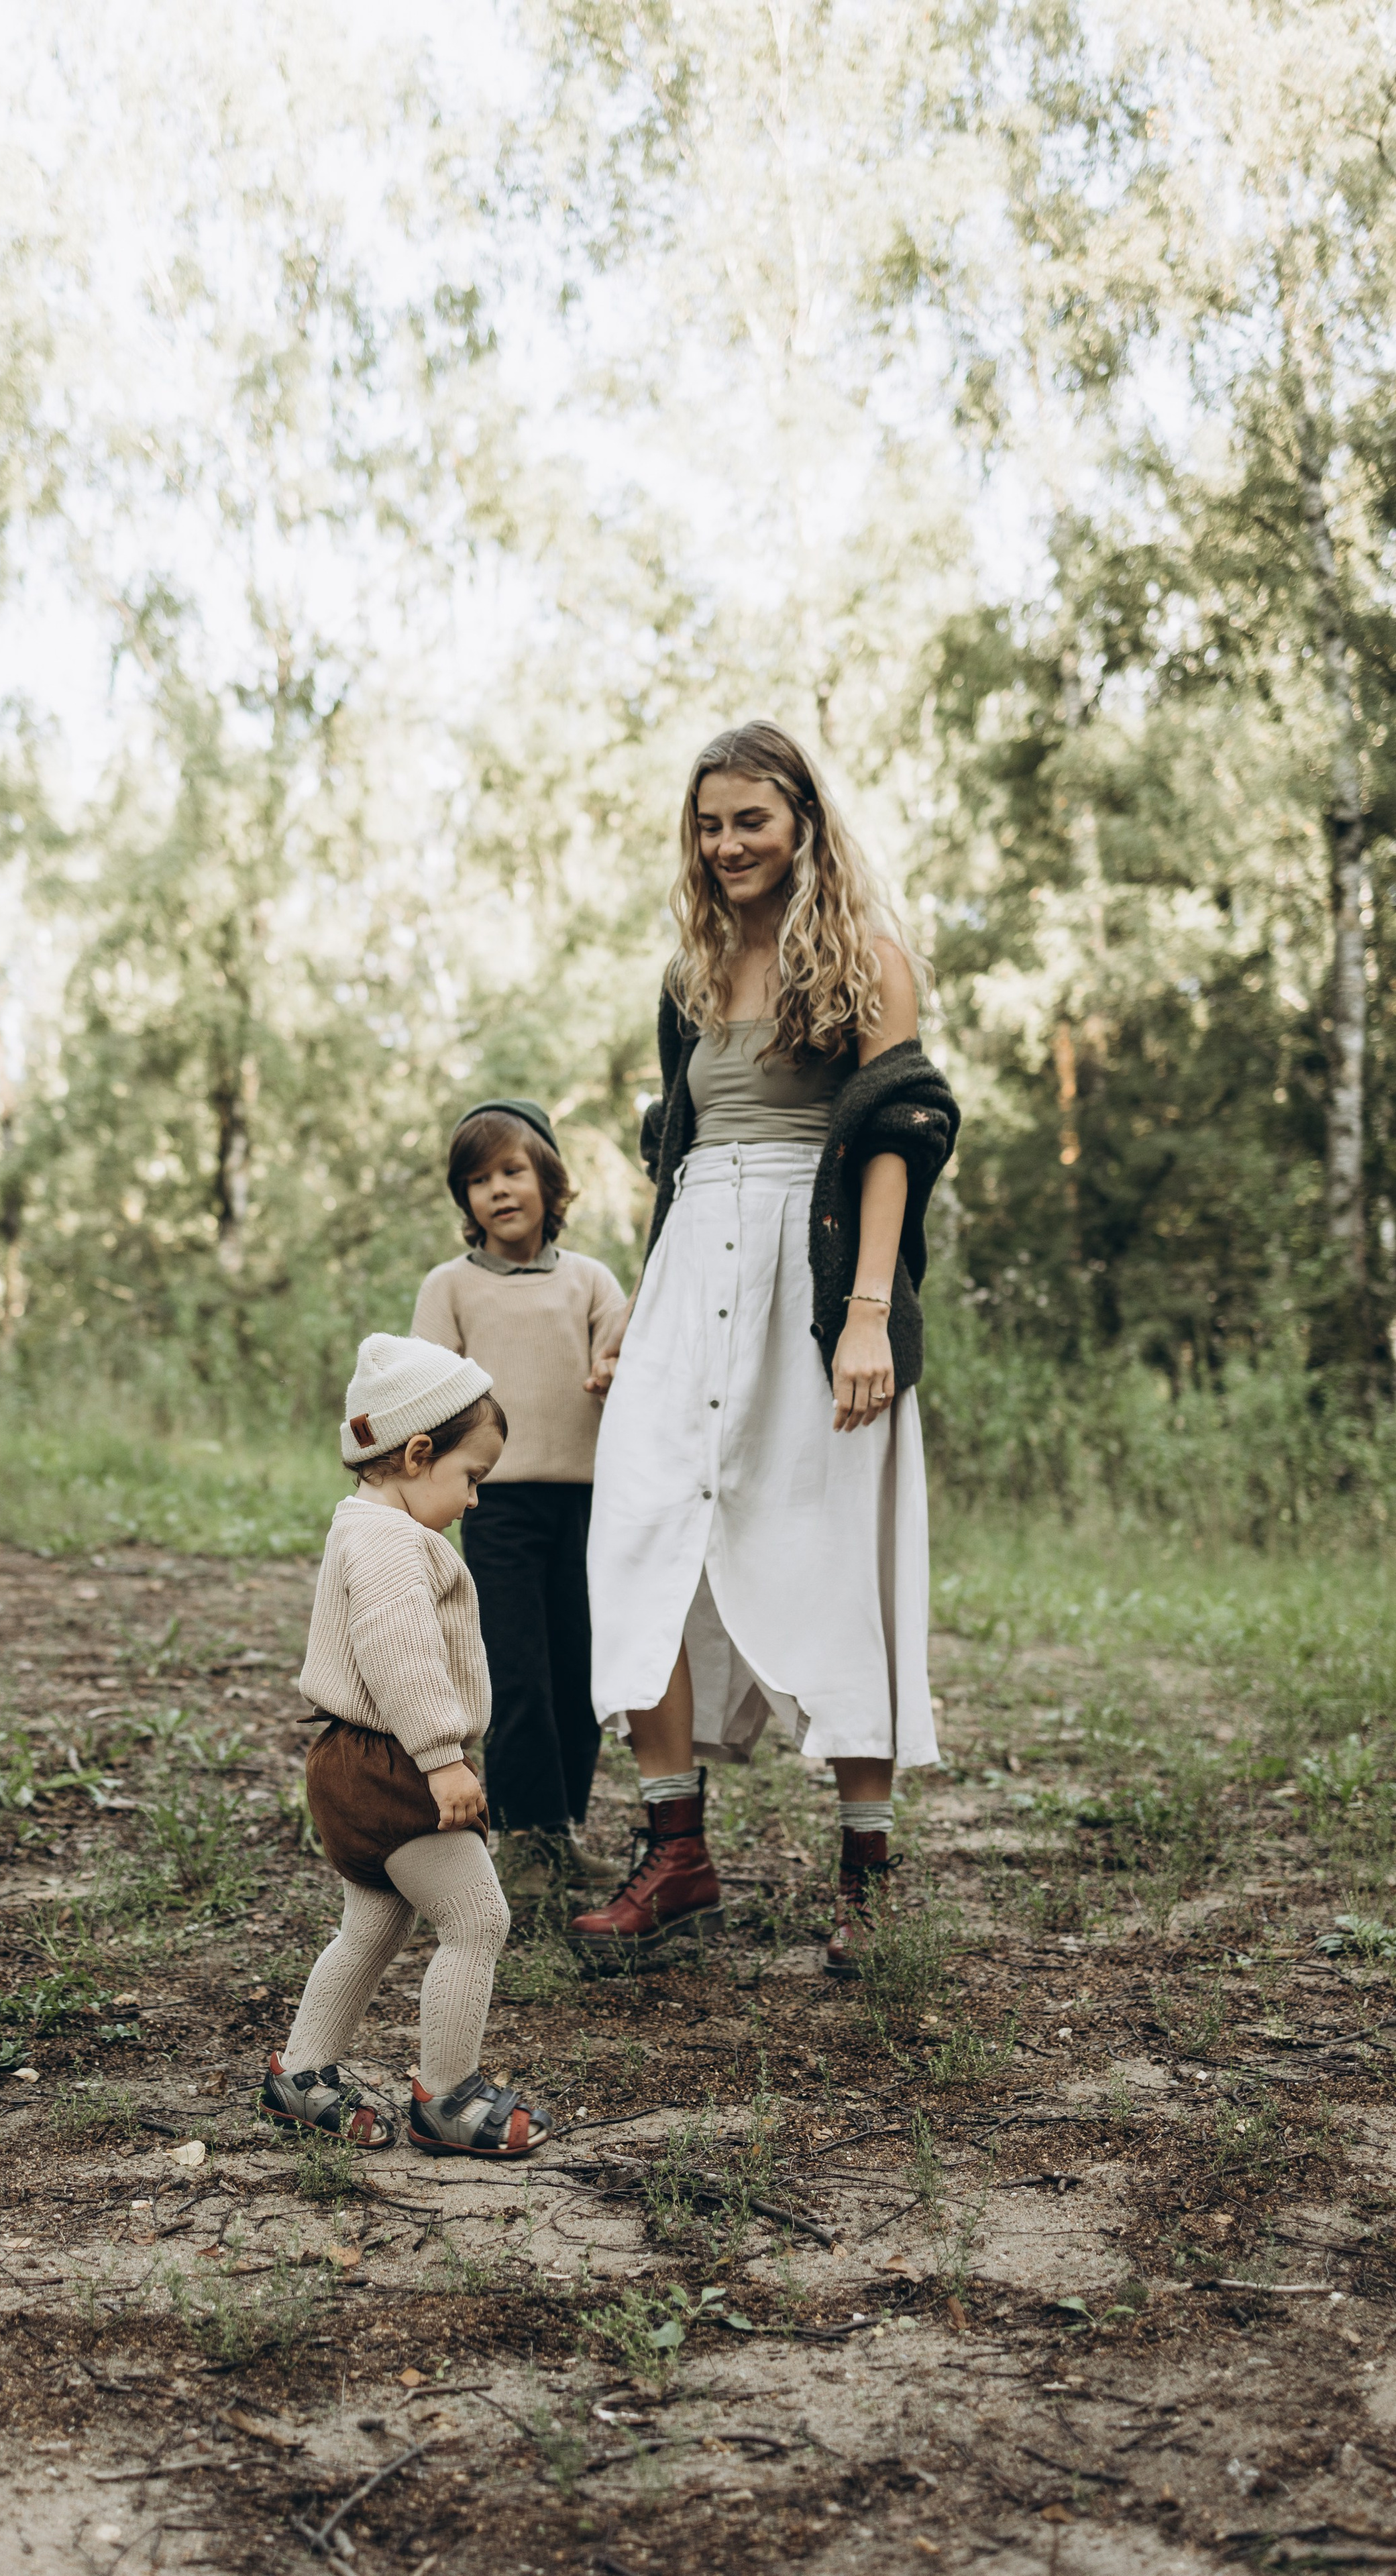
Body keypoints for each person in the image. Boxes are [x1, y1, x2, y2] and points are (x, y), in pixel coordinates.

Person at [570, 720, 961, 1975]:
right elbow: (680, 1155)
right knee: (638, 1523)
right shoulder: (688, 976)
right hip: (693, 1266)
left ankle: (868, 1876)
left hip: (817, 1266)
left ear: (802, 822)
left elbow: (897, 1135)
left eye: (751, 819)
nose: (728, 843)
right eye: (709, 822)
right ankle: (676, 1852)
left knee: (831, 1537)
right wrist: (645, 1297)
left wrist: (866, 1316)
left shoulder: (869, 962)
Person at [262, 1332, 552, 2157]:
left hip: (351, 1761)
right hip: (395, 1765)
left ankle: (302, 2075)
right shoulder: (392, 1542)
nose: (473, 1502)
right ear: (418, 1452)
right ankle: (450, 2097)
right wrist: (443, 1757)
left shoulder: (361, 1525)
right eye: (471, 1478)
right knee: (476, 1917)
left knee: (373, 1926)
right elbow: (400, 1653)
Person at [412, 1099, 625, 1900]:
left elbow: (622, 1361)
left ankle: (564, 1829)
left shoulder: (590, 1281)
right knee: (518, 1669)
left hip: (588, 1504)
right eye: (477, 1180)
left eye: (511, 1171)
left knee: (579, 1669)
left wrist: (613, 1372)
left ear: (547, 1179)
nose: (497, 1191)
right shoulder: (452, 1287)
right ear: (463, 1200)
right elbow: (428, 1389)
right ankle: (525, 1839)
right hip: (493, 1504)